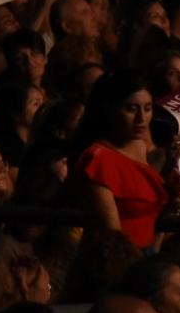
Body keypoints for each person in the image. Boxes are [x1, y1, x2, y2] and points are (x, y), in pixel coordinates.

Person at [69, 71, 169, 250]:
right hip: (118, 264)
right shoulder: (98, 160)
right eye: (131, 109)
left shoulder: (140, 146)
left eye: (147, 108)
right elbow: (112, 238)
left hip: (150, 253)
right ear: (110, 109)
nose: (142, 118)